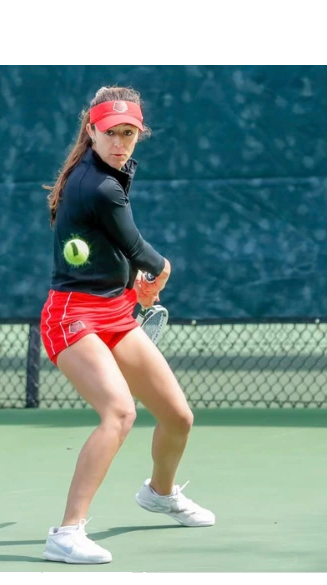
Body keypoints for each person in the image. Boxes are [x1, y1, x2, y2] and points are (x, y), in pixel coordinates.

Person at [39, 86, 215, 564]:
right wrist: (159, 275)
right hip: (72, 314)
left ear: (138, 134)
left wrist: (134, 289)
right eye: (110, 132)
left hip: (114, 310)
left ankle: (159, 493)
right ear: (90, 130)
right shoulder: (99, 184)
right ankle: (67, 532)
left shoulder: (104, 173)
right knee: (119, 413)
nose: (119, 142)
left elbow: (106, 246)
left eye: (128, 134)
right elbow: (143, 252)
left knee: (178, 416)